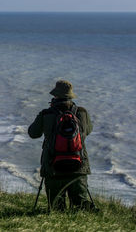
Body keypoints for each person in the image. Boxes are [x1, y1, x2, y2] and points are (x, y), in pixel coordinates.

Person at [28, 80, 94, 211]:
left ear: (55, 96)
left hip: (53, 167)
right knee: (82, 207)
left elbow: (33, 133)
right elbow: (88, 131)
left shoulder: (46, 114)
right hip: (78, 167)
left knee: (56, 208)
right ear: (71, 96)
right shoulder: (82, 113)